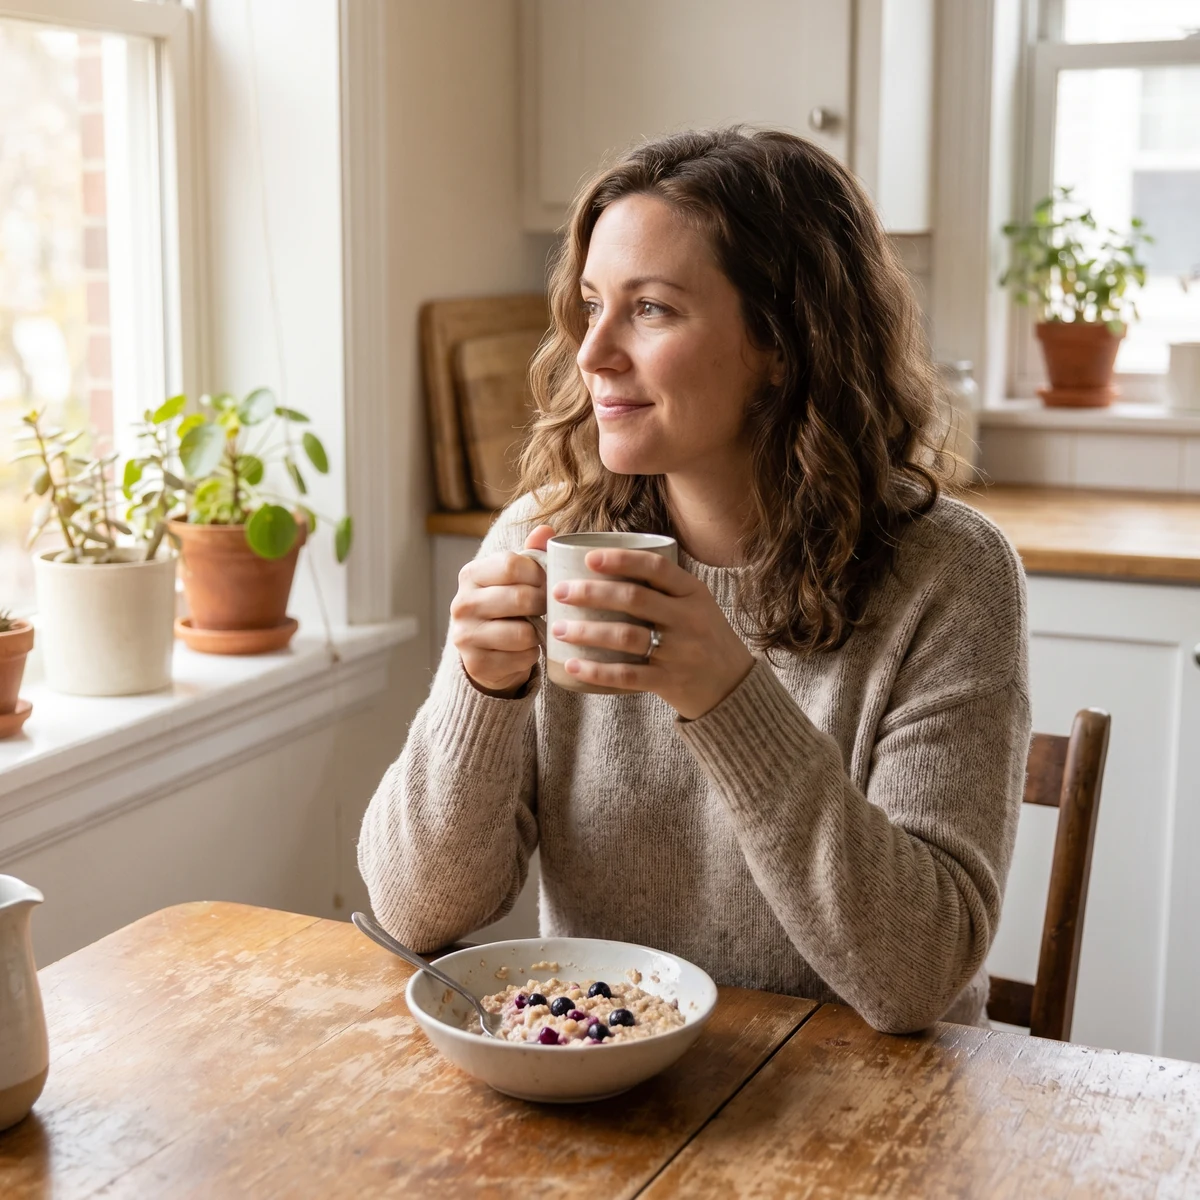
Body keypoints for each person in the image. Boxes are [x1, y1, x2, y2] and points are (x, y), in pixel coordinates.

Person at [359, 128, 1030, 1034]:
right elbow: (416, 913)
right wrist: (482, 693)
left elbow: (916, 978)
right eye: (592, 304)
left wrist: (725, 694)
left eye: (653, 310)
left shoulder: (951, 578)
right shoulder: (543, 539)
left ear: (784, 345)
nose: (592, 353)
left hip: (871, 1115)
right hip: (614, 1087)